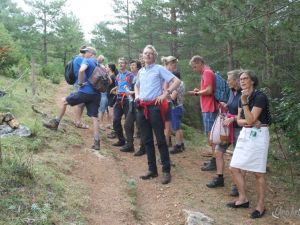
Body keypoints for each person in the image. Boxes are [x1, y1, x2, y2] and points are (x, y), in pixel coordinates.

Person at [227, 70, 271, 219]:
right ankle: (243, 198)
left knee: (258, 173)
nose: (242, 81)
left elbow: (250, 119)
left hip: (259, 136)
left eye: (245, 78)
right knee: (234, 167)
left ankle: (260, 205)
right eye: (241, 79)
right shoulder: (241, 98)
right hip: (246, 134)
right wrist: (250, 120)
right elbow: (240, 120)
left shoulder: (260, 97)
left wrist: (246, 104)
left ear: (252, 81)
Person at [135, 45, 181, 184]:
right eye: (145, 53)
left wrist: (165, 94)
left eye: (150, 53)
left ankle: (166, 171)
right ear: (142, 56)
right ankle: (152, 170)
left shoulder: (159, 69)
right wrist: (137, 96)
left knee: (160, 139)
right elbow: (136, 85)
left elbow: (176, 81)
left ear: (154, 56)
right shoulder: (141, 71)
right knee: (147, 140)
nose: (148, 55)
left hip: (155, 107)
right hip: (142, 107)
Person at [43, 47, 101, 150]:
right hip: (96, 94)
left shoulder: (87, 60)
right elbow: (109, 81)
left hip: (85, 91)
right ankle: (97, 142)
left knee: (63, 101)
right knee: (94, 117)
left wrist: (81, 83)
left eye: (86, 52)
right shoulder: (99, 64)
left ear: (91, 53)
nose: (84, 54)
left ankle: (55, 123)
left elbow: (81, 70)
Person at [206, 70, 242, 195]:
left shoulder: (243, 94)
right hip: (228, 128)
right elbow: (232, 107)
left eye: (229, 79)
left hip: (239, 129)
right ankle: (219, 178)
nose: (227, 81)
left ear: (237, 80)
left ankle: (237, 185)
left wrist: (233, 118)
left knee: (238, 158)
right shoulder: (232, 92)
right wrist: (226, 106)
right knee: (218, 152)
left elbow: (246, 116)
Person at [188, 55, 217, 171]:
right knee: (211, 136)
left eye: (195, 67)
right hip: (207, 107)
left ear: (200, 62)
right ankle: (214, 159)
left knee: (212, 136)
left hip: (210, 108)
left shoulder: (207, 73)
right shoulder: (207, 72)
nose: (194, 69)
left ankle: (215, 161)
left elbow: (209, 91)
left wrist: (196, 93)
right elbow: (207, 89)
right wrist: (199, 91)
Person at [161, 56, 185, 154]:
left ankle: (179, 145)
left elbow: (173, 97)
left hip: (175, 107)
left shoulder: (177, 85)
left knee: (176, 127)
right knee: (177, 126)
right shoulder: (182, 83)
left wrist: (166, 94)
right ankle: (181, 144)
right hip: (179, 106)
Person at [120, 59, 142, 153]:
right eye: (131, 65)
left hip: (140, 104)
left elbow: (142, 90)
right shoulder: (133, 77)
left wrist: (130, 92)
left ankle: (143, 148)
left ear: (137, 67)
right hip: (132, 104)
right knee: (127, 125)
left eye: (133, 65)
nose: (131, 66)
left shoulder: (141, 76)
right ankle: (130, 145)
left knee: (141, 127)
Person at [111, 58, 134, 147]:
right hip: (118, 99)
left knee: (128, 122)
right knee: (116, 120)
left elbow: (134, 86)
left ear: (126, 64)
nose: (120, 64)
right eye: (119, 63)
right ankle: (121, 140)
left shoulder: (130, 75)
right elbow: (117, 85)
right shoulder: (118, 76)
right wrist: (115, 90)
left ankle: (130, 143)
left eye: (122, 63)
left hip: (128, 100)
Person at [73, 45, 89, 129]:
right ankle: (77, 121)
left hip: (80, 83)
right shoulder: (79, 59)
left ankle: (78, 120)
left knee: (81, 103)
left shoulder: (78, 58)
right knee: (79, 103)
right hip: (79, 83)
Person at [97, 55, 108, 130]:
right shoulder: (101, 67)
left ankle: (99, 123)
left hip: (102, 91)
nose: (101, 60)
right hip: (102, 91)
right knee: (102, 108)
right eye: (100, 59)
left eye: (102, 59)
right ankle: (100, 124)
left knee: (101, 108)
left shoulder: (100, 67)